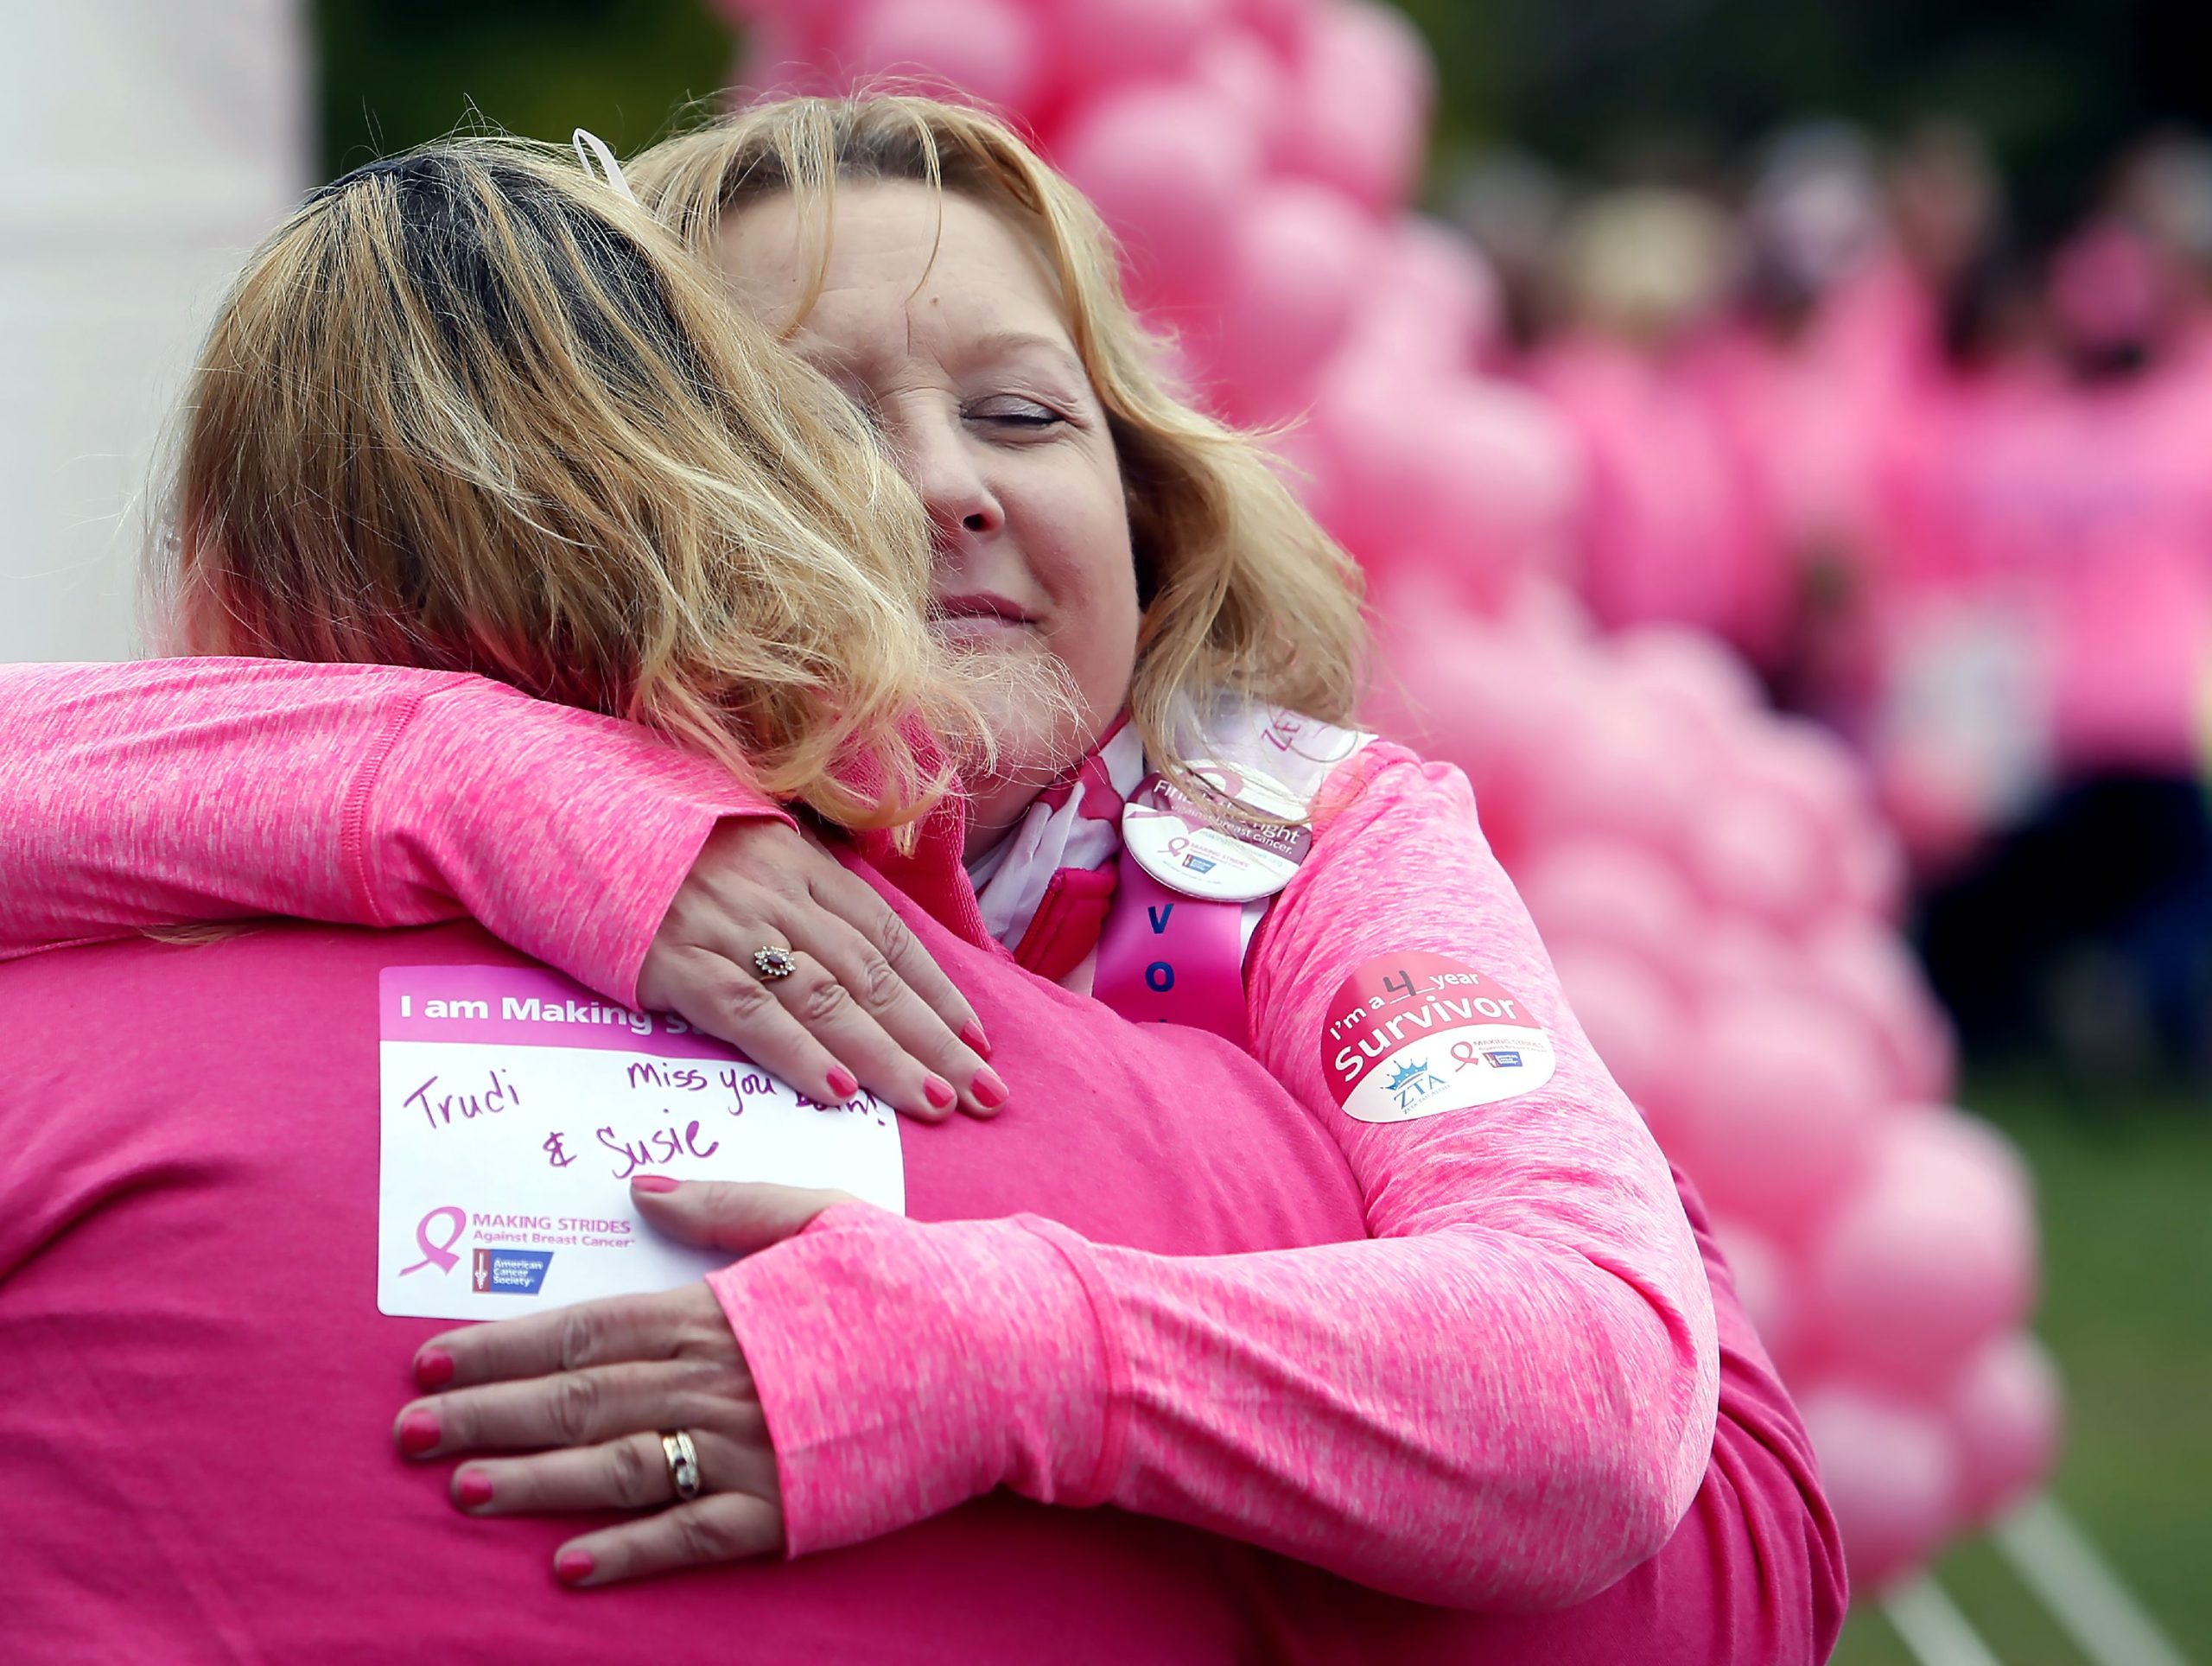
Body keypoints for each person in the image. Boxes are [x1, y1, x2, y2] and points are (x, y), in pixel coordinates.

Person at [0, 105, 1839, 1658]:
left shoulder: (1303, 841)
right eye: (819, 424)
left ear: (1145, 493)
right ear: (650, 503)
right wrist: (460, 774)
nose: (943, 483)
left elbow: (1602, 1402)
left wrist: (1001, 1351)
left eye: (1025, 417)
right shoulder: (618, 797)